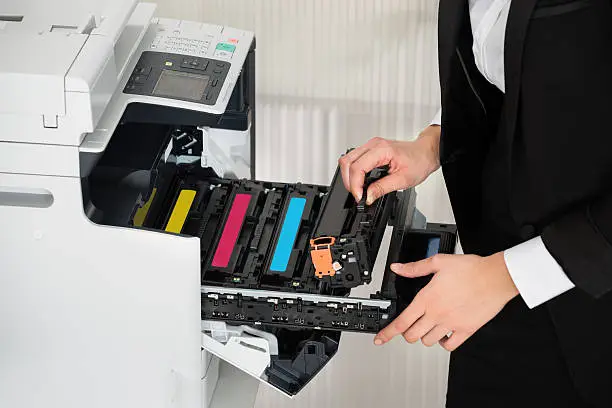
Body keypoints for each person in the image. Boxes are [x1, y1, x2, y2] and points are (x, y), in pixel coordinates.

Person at [339, 0, 612, 407]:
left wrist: (506, 276)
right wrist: (432, 142)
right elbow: (513, 64)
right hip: (492, 271)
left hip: (594, 301)